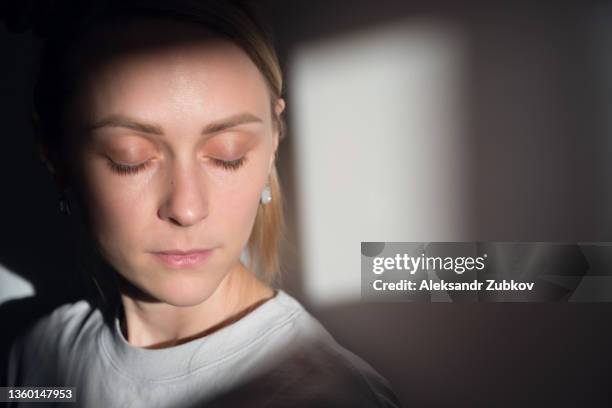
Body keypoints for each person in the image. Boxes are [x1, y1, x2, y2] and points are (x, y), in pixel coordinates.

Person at [6, 1, 402, 407]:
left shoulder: (332, 397)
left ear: (272, 144)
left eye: (228, 154)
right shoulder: (35, 359)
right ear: (55, 157)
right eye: (130, 157)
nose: (187, 208)